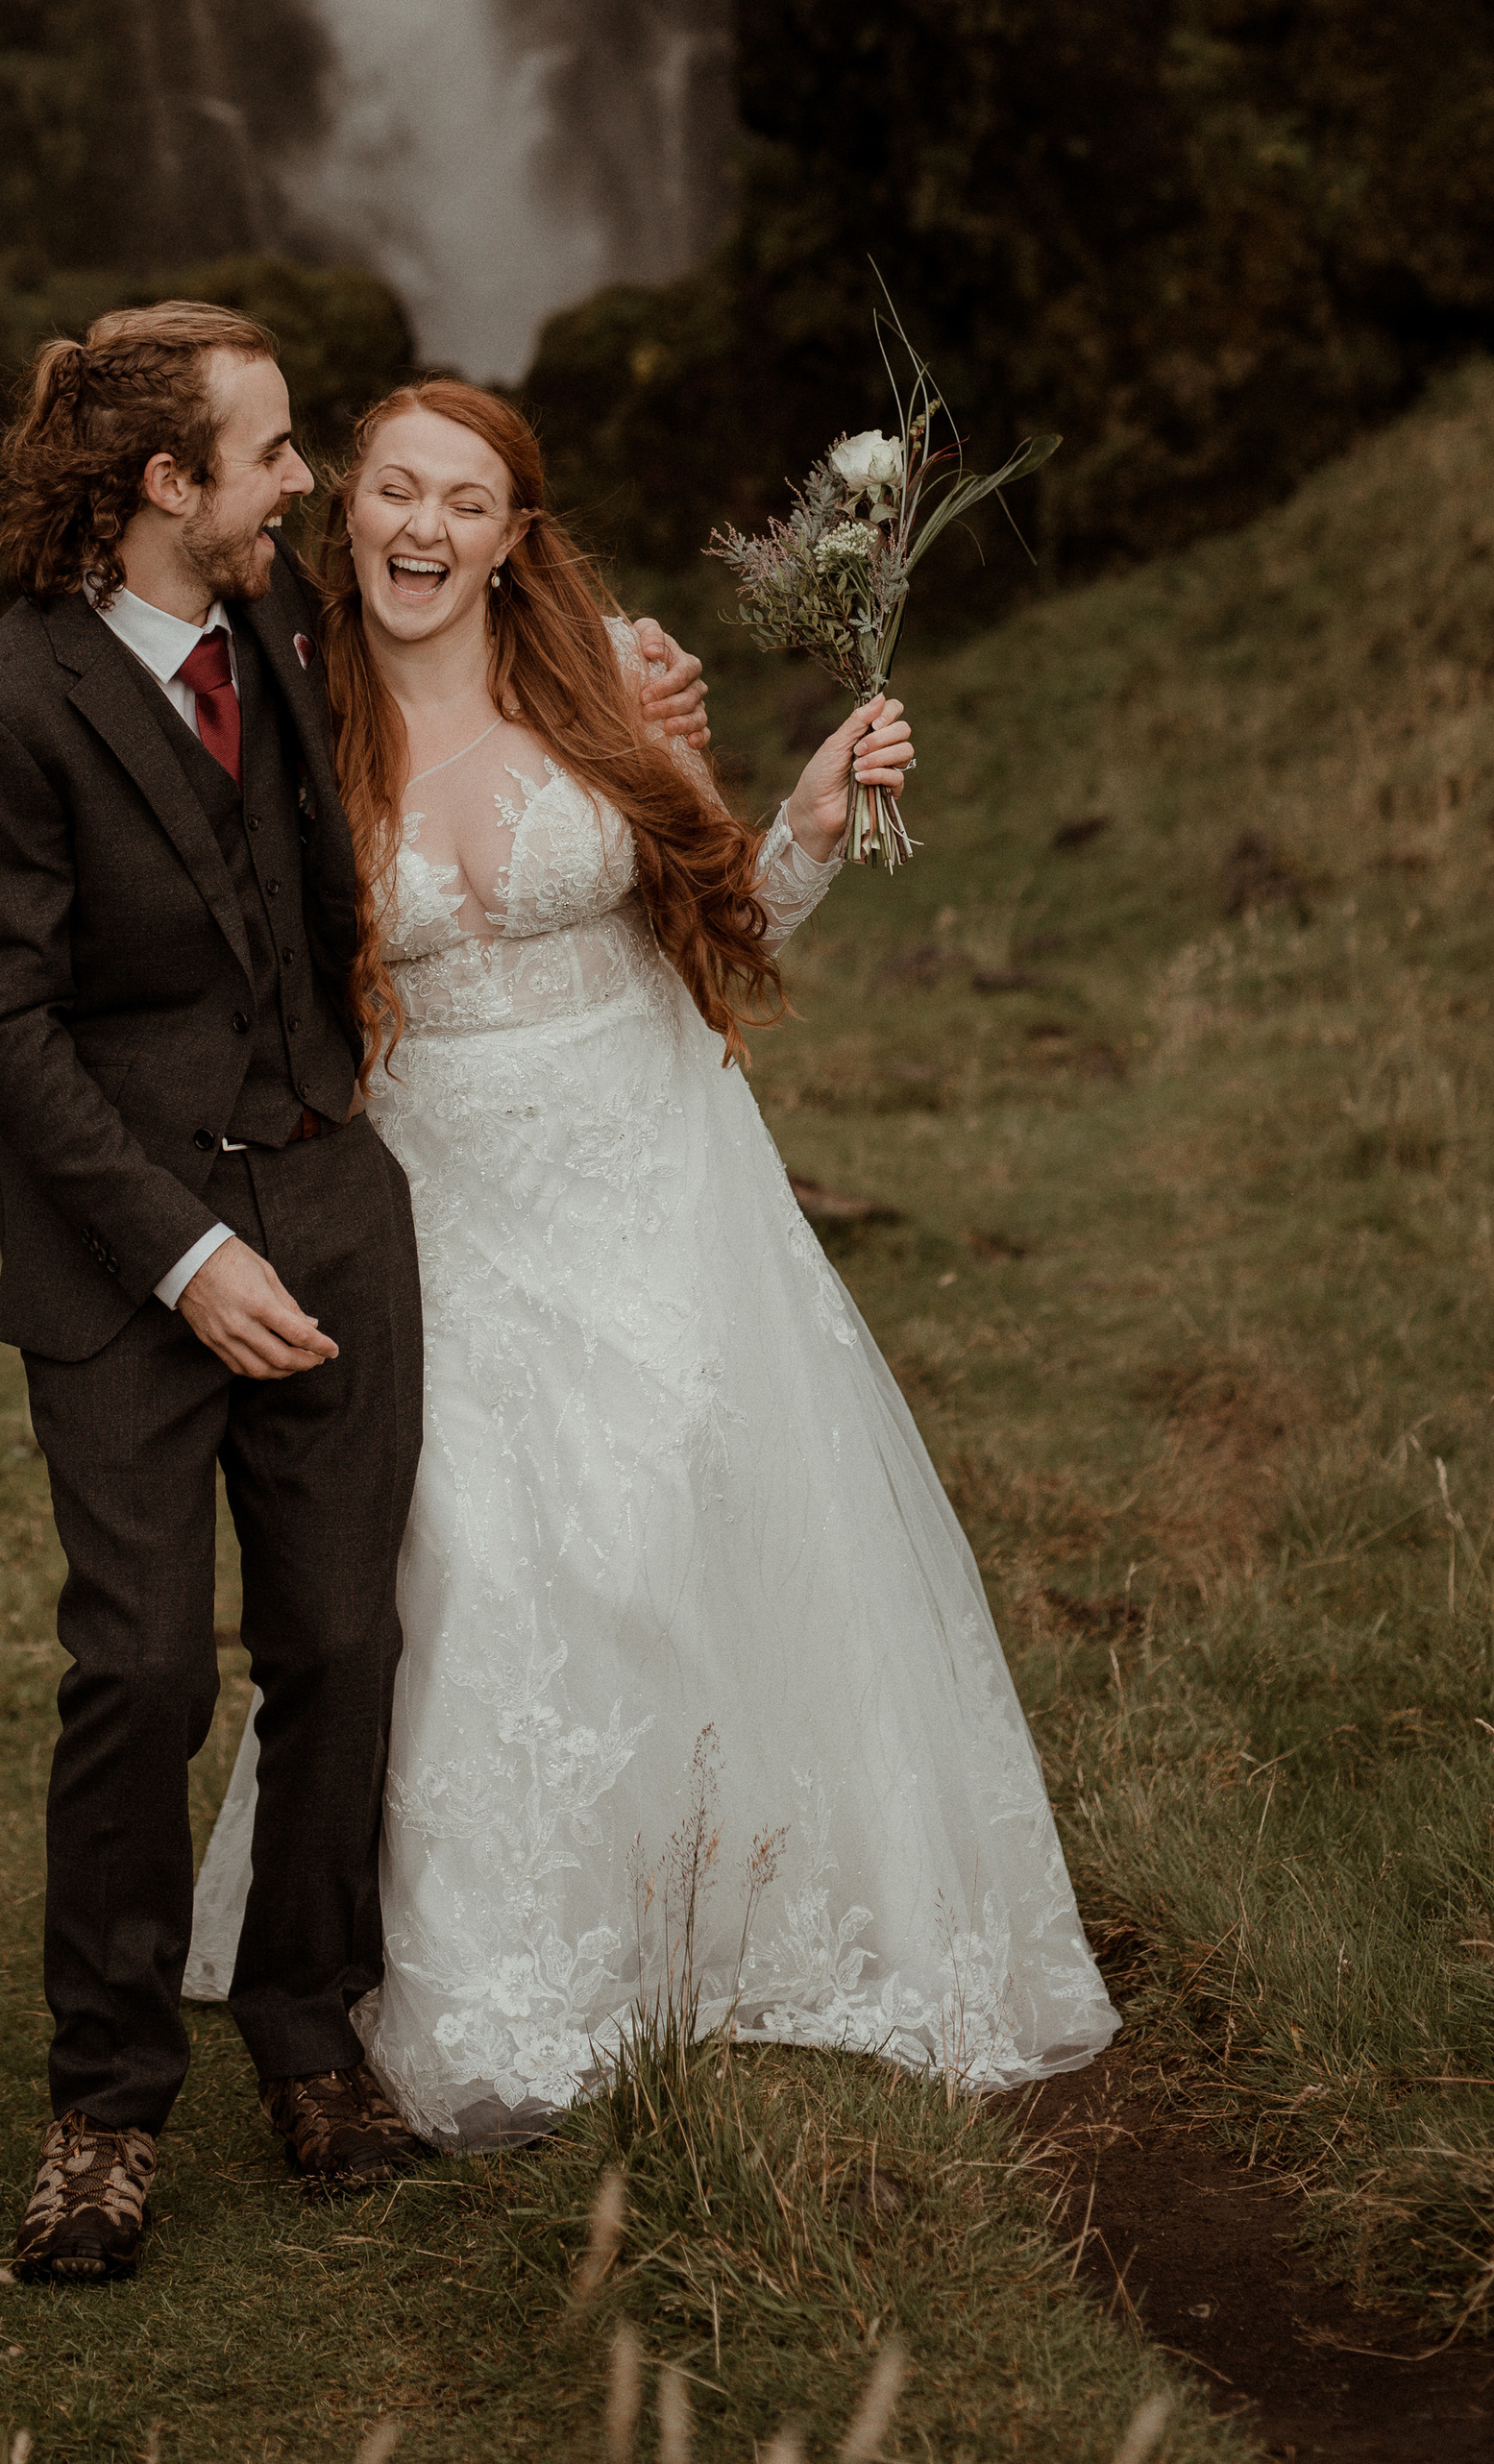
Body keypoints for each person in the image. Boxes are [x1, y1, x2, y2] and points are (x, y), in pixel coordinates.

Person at [187, 378, 1119, 2139]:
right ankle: (509, 1975)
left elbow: (729, 915)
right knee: (476, 1568)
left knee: (686, 1524)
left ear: (512, 536)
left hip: (653, 1170)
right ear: (348, 510)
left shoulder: (606, 683)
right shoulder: (298, 719)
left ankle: (742, 1910)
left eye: (467, 501)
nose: (424, 527)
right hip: (439, 1207)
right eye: (394, 489)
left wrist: (818, 817)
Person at [0, 305, 710, 2281]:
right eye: (273, 458)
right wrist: (184, 1256)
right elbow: (2, 1033)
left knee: (345, 1646)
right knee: (142, 1670)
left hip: (340, 1211)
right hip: (129, 1264)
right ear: (162, 486)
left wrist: (632, 682)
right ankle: (100, 2111)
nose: (310, 489)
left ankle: (305, 2027)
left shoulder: (278, 631)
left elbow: (460, 668)